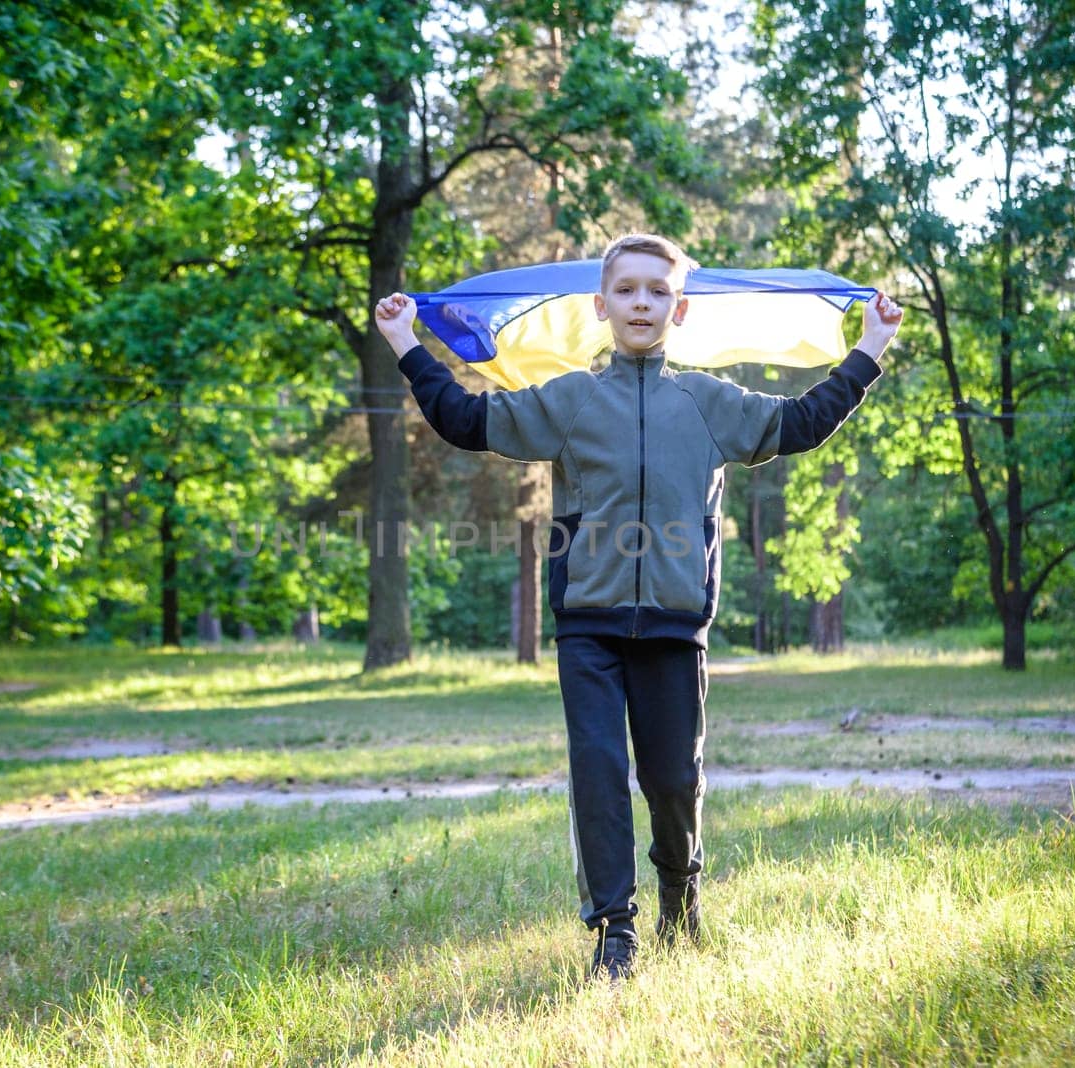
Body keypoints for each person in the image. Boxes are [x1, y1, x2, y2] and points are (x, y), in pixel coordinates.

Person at [374, 234, 902, 981]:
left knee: (673, 780)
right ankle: (613, 931)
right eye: (626, 290)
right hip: (587, 624)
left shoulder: (711, 402)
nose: (642, 303)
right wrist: (404, 341)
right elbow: (464, 419)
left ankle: (680, 891)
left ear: (678, 308)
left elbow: (804, 421)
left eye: (657, 291)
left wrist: (872, 345)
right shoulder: (570, 399)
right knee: (596, 768)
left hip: (673, 625)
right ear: (602, 305)